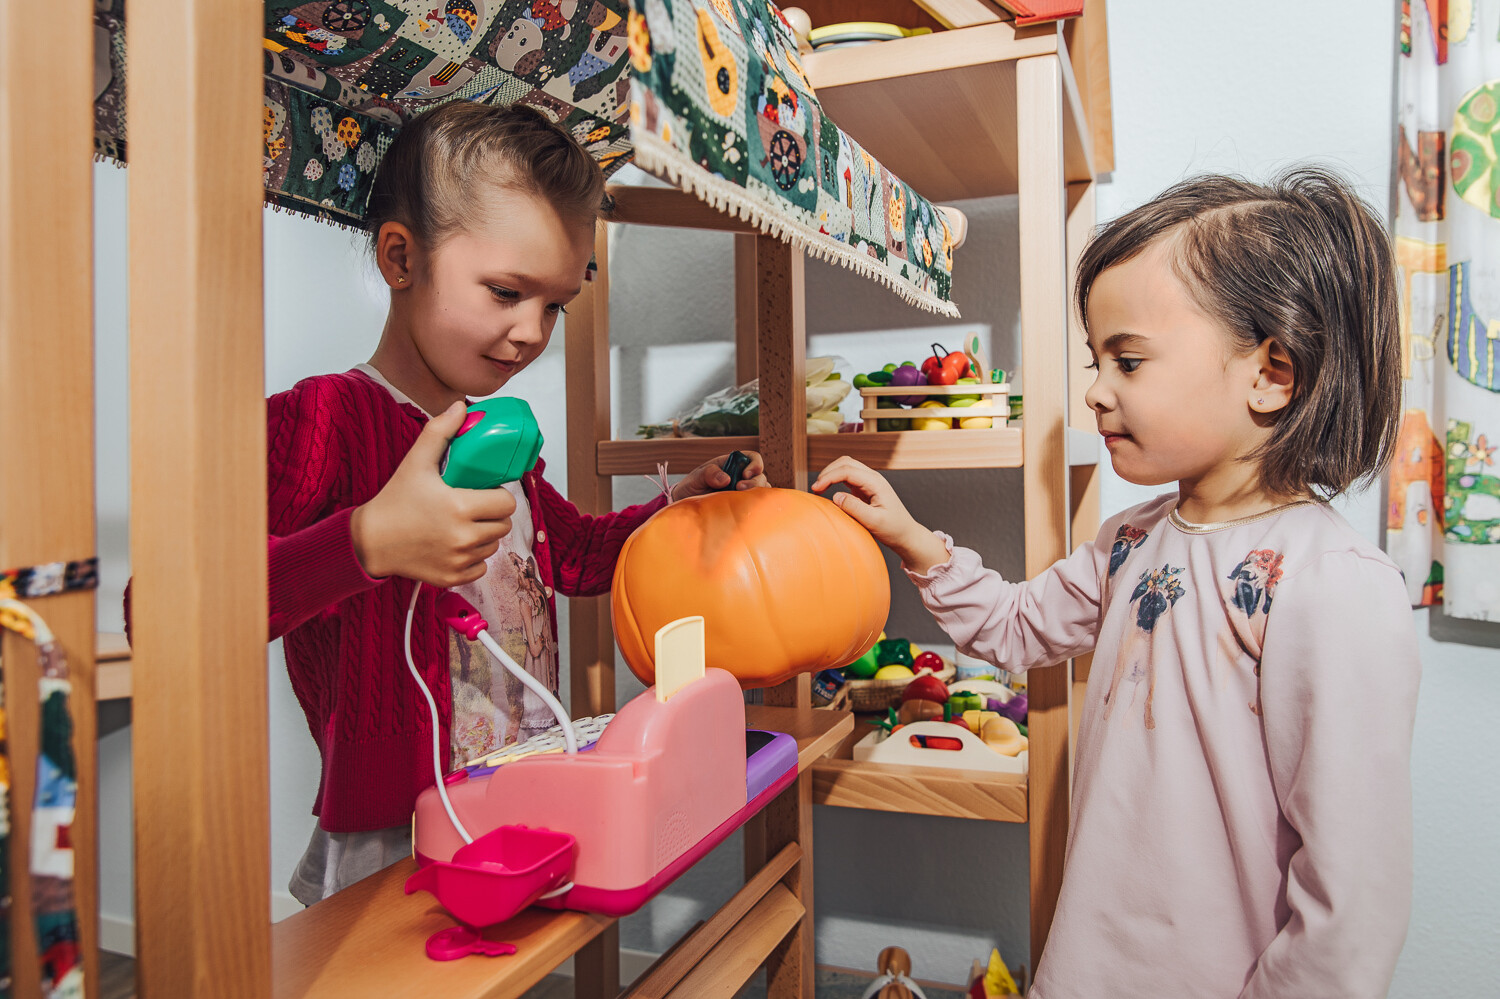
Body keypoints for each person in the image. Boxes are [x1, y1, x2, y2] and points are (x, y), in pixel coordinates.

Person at [814, 168, 1420, 998]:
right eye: (1097, 358)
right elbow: (1017, 627)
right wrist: (913, 539)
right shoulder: (1132, 541)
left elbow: (1349, 902)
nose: (1096, 391)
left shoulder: (1335, 587)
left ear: (1273, 373)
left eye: (1127, 360)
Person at [251, 101, 765, 904]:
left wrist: (676, 509)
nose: (532, 332)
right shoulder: (319, 420)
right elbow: (173, 613)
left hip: (523, 794)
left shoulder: (497, 435)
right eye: (505, 291)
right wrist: (368, 542)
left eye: (556, 304)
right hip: (399, 829)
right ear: (400, 257)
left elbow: (571, 556)